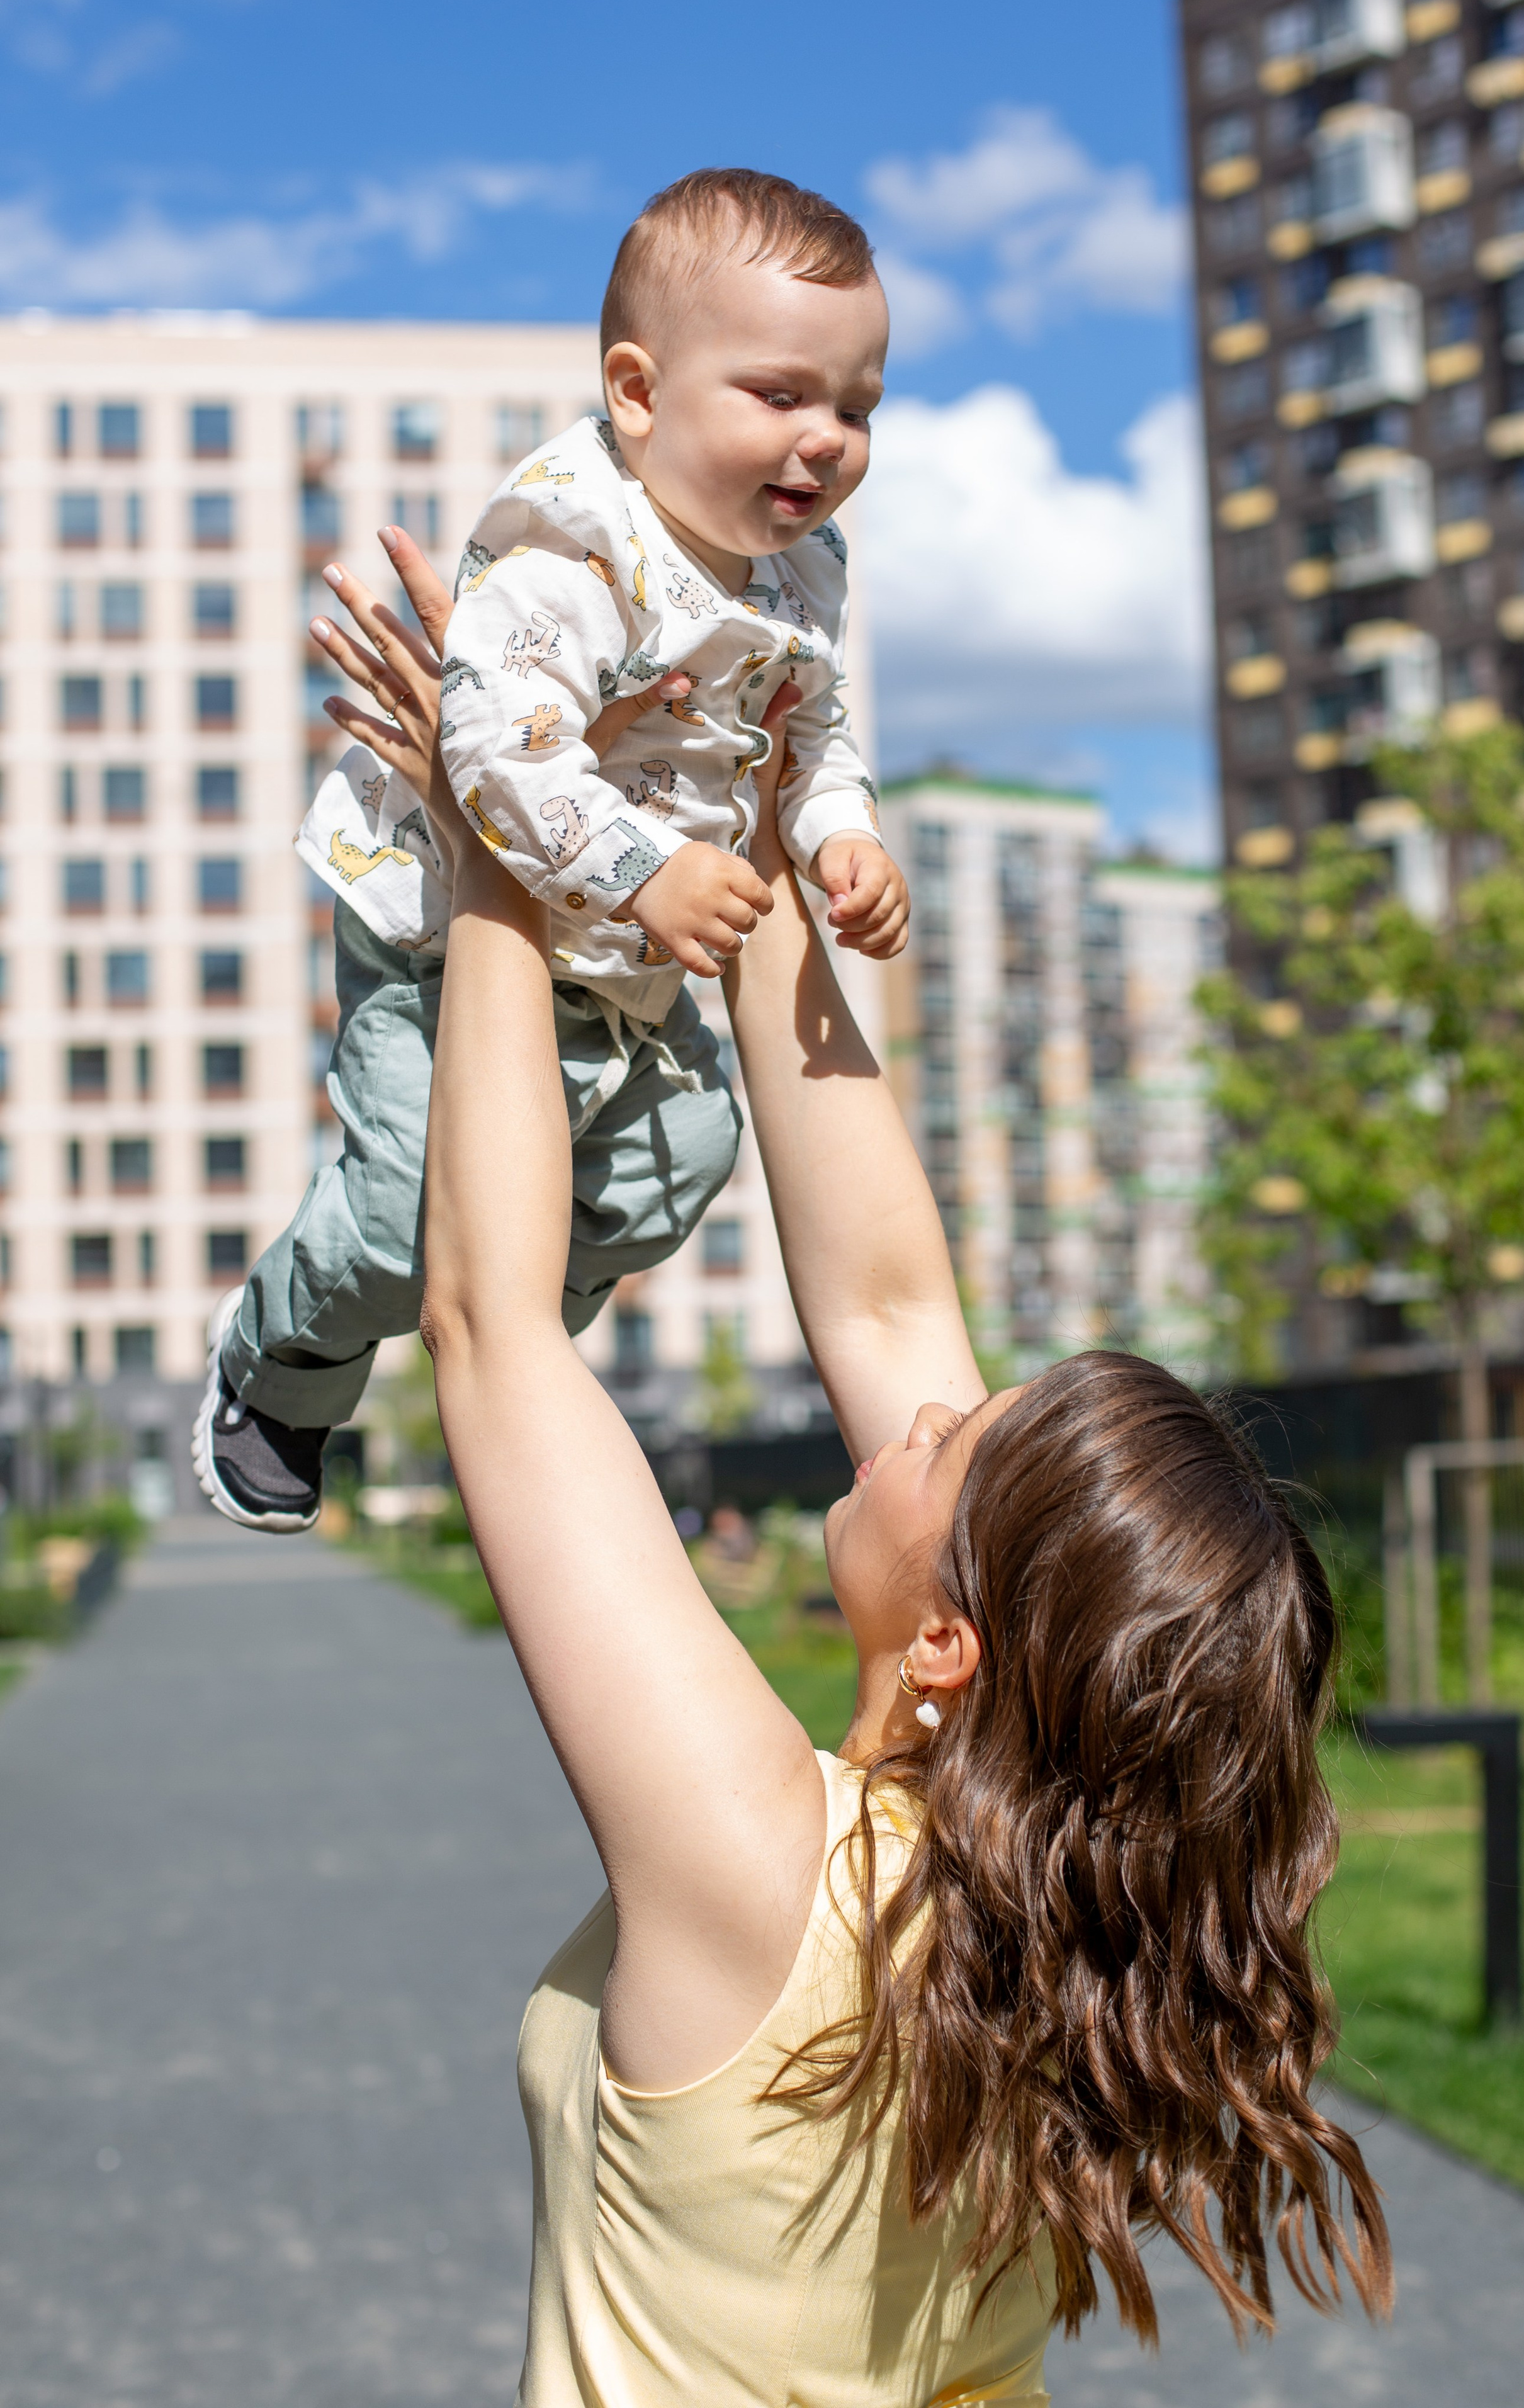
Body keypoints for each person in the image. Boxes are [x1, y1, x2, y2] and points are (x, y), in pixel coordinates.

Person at [303, 543, 1391, 2400]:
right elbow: (884, 1292)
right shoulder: (1047, 1931)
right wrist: (739, 770)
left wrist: (503, 804)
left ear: (957, 1645)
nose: (917, 1404)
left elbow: (494, 1334)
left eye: (958, 1439)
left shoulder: (775, 1878)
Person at [193, 167, 908, 1534]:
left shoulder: (798, 571)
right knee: (410, 1213)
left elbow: (812, 735)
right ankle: (283, 1357)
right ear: (636, 393)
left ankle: (507, 1300)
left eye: (856, 408)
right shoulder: (569, 547)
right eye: (780, 395)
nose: (825, 440)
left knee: (685, 1157)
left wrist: (843, 840)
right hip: (448, 937)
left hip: (625, 964)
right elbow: (494, 759)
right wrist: (648, 869)